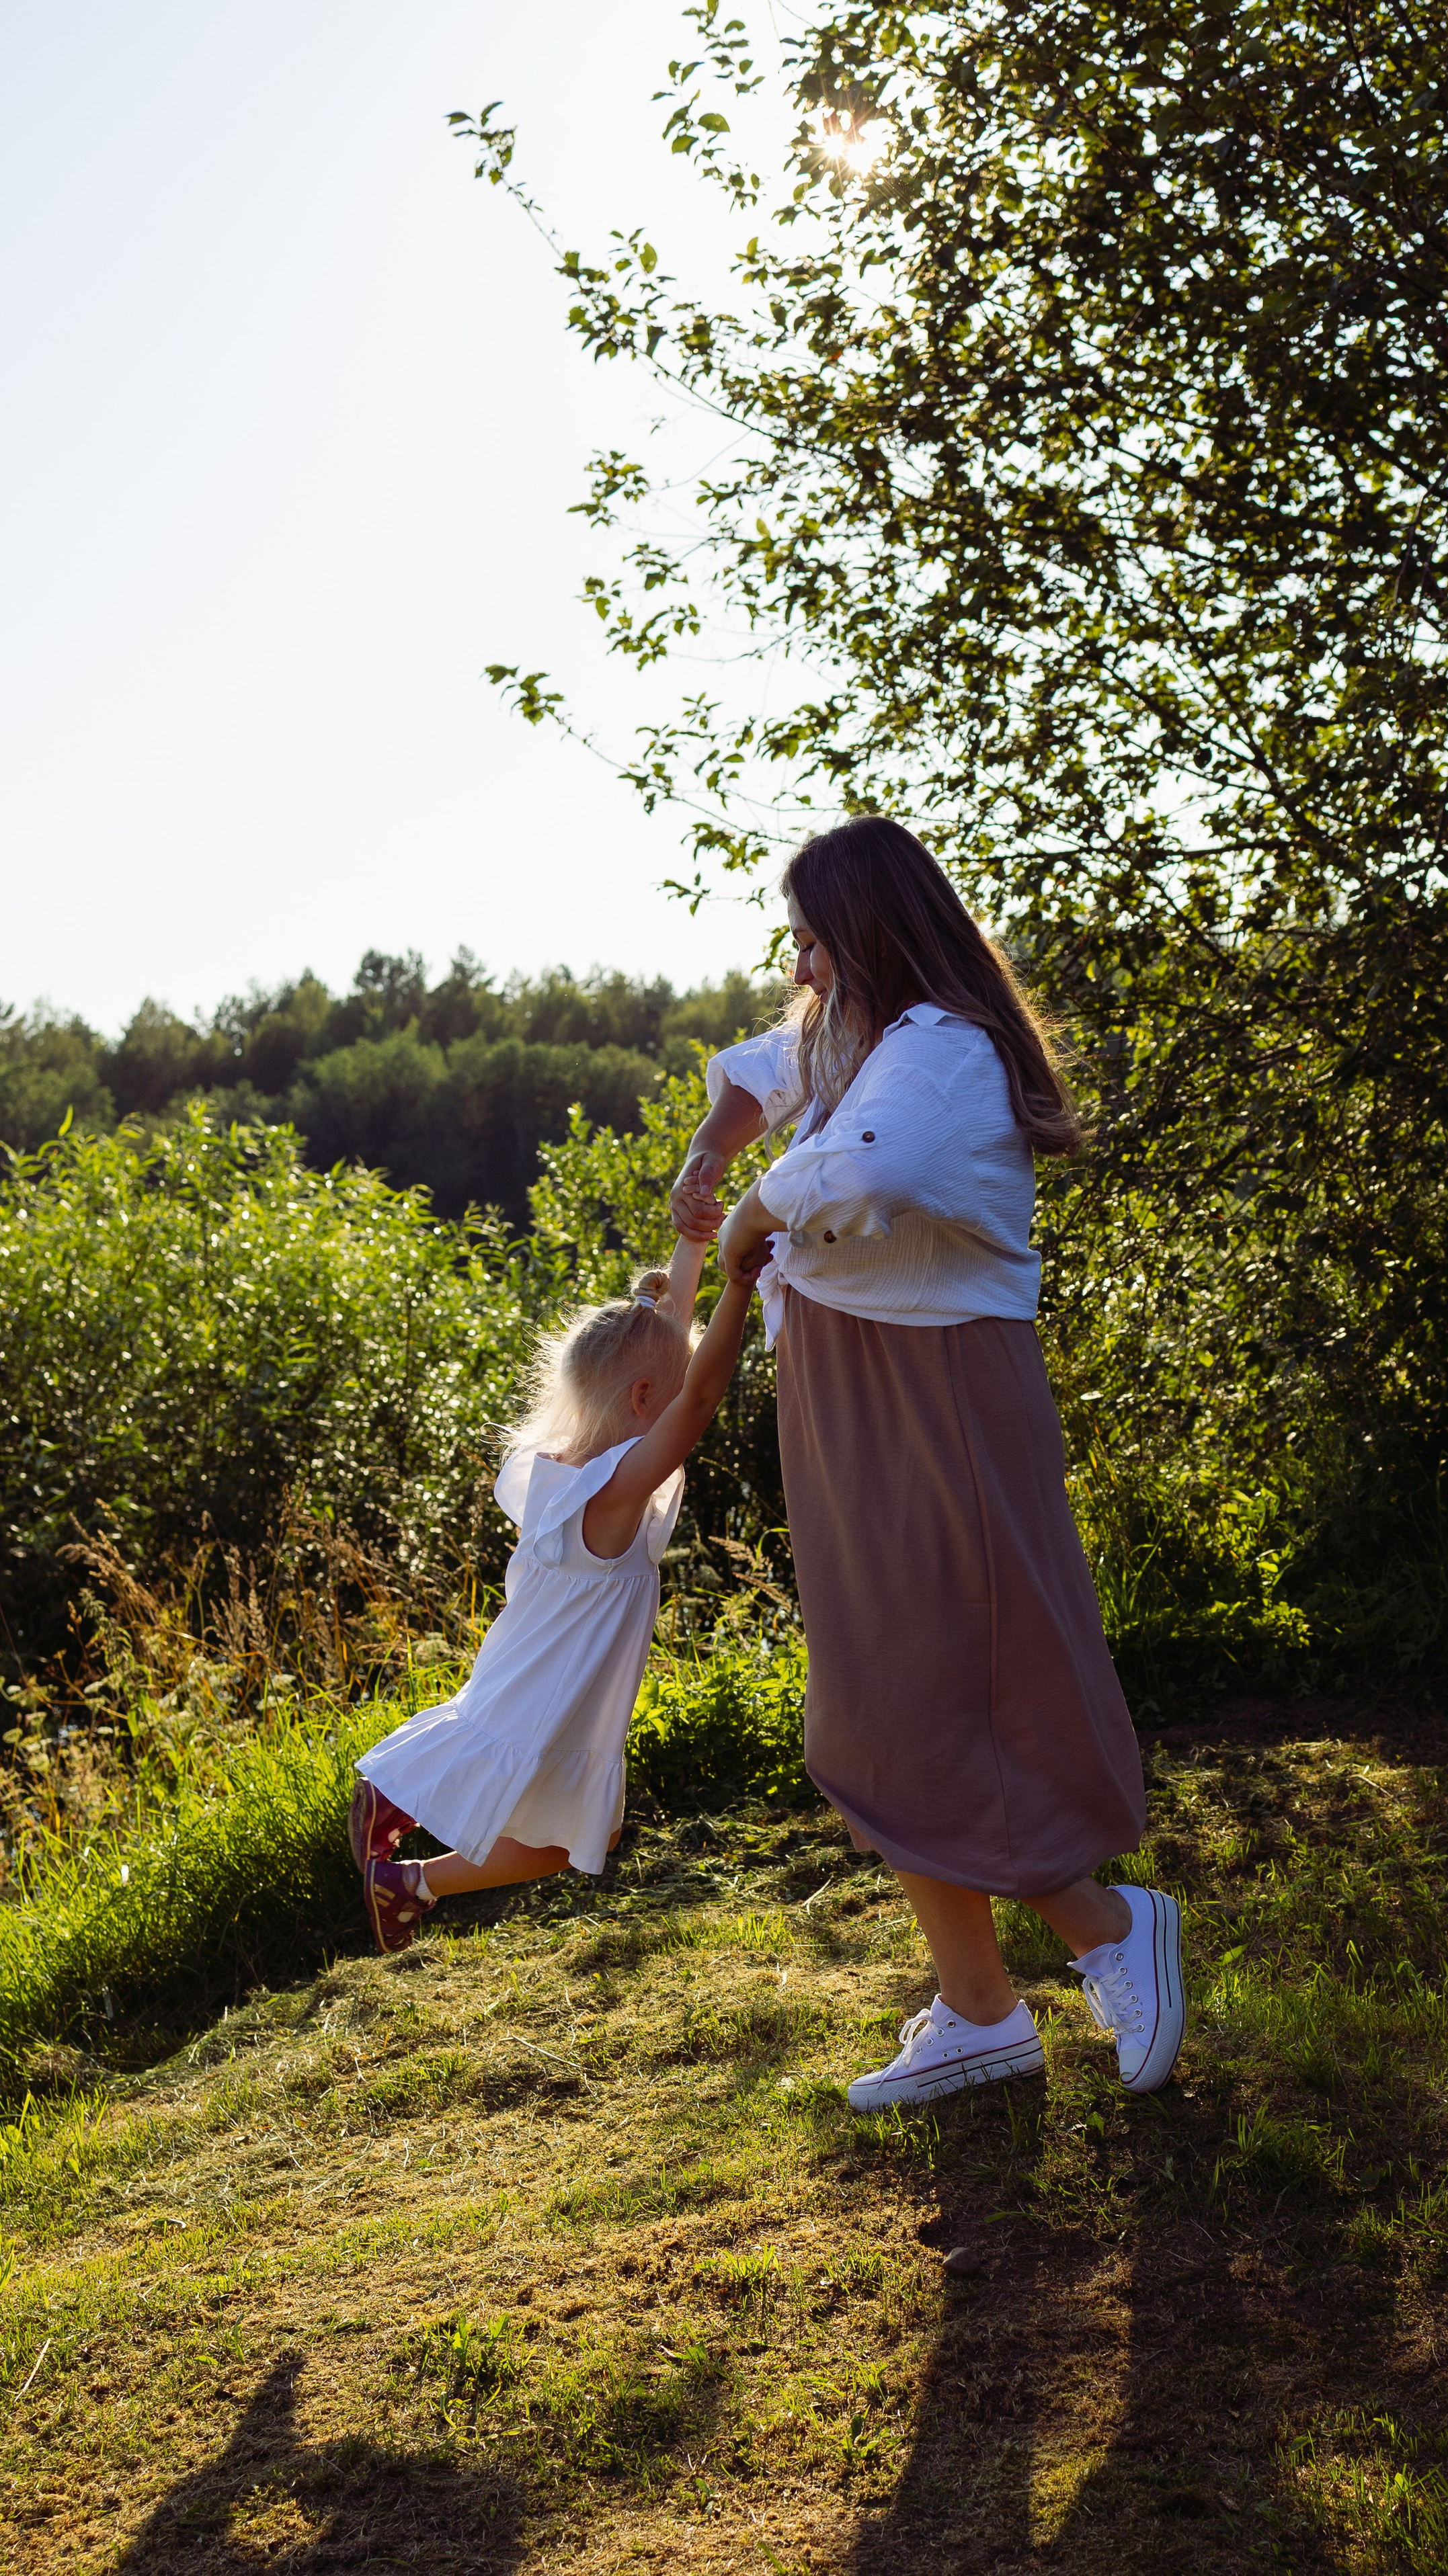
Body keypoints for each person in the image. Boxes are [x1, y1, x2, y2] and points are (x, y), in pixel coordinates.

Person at [672, 815, 1186, 2112]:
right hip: (850, 1389)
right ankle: (981, 2011)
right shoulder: (859, 1036)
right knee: (876, 1705)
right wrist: (711, 1150)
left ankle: (1107, 1929)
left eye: (809, 940)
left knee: (968, 1690)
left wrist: (751, 1208)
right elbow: (763, 1069)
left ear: (867, 936)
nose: (797, 969)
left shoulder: (941, 1050)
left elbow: (878, 1167)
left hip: (937, 1389)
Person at [348, 1234, 756, 1950]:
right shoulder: (618, 1492)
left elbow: (668, 1365)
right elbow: (698, 1393)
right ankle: (400, 1817)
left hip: (532, 1665)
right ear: (640, 1398)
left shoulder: (558, 1466)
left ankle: (405, 1859)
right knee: (575, 1840)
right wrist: (739, 1285)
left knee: (579, 1835)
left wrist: (693, 1246)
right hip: (557, 1688)